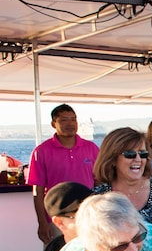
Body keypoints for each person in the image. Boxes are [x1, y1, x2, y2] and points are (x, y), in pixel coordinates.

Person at [27, 104, 100, 243]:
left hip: (88, 217)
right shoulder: (41, 151)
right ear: (53, 124)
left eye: (73, 119)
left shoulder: (91, 148)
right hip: (56, 219)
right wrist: (42, 222)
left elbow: (100, 182)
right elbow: (38, 191)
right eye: (64, 120)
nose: (70, 123)